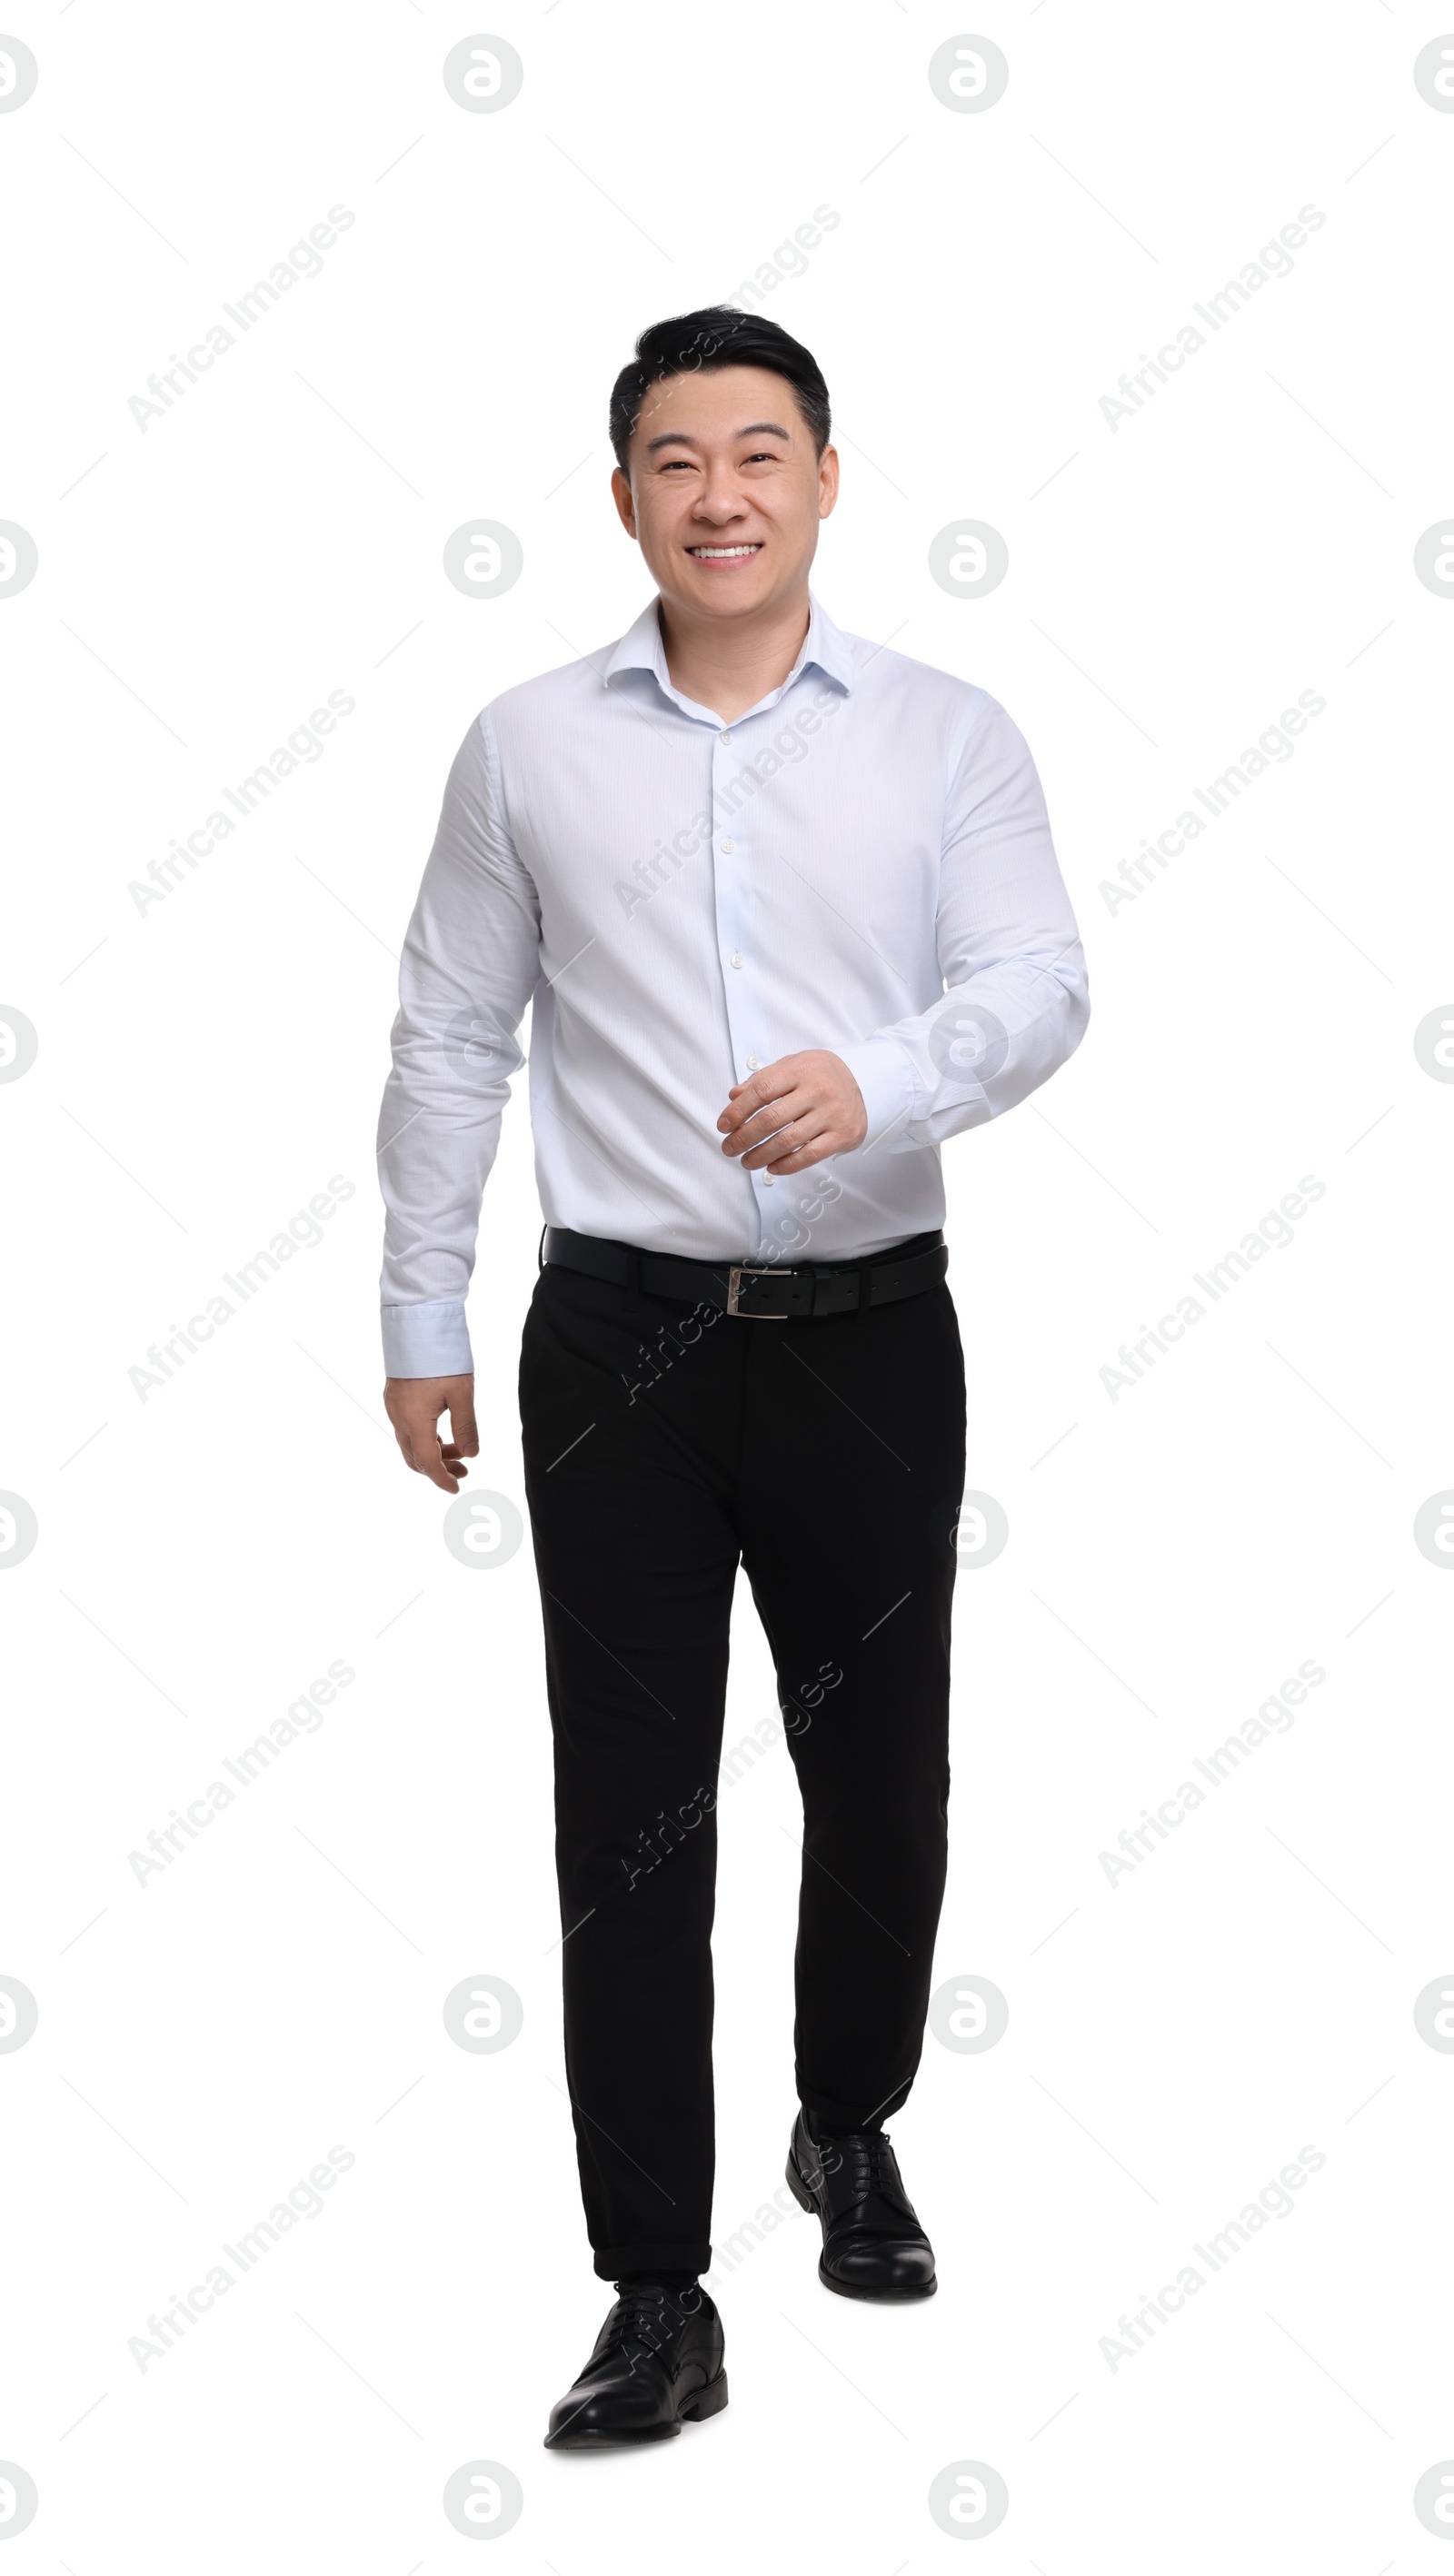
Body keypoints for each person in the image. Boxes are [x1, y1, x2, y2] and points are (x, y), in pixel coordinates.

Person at [377, 306, 1089, 2449]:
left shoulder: (945, 734)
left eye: (757, 454)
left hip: (873, 1329)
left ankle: (845, 2116)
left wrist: (869, 1081)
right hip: (621, 1344)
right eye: (672, 461)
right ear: (621, 499)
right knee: (631, 1822)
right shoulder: (522, 743)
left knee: (880, 1783)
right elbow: (445, 1037)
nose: (717, 496)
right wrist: (419, 1315)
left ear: (824, 479)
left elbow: (1038, 982)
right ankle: (654, 2286)